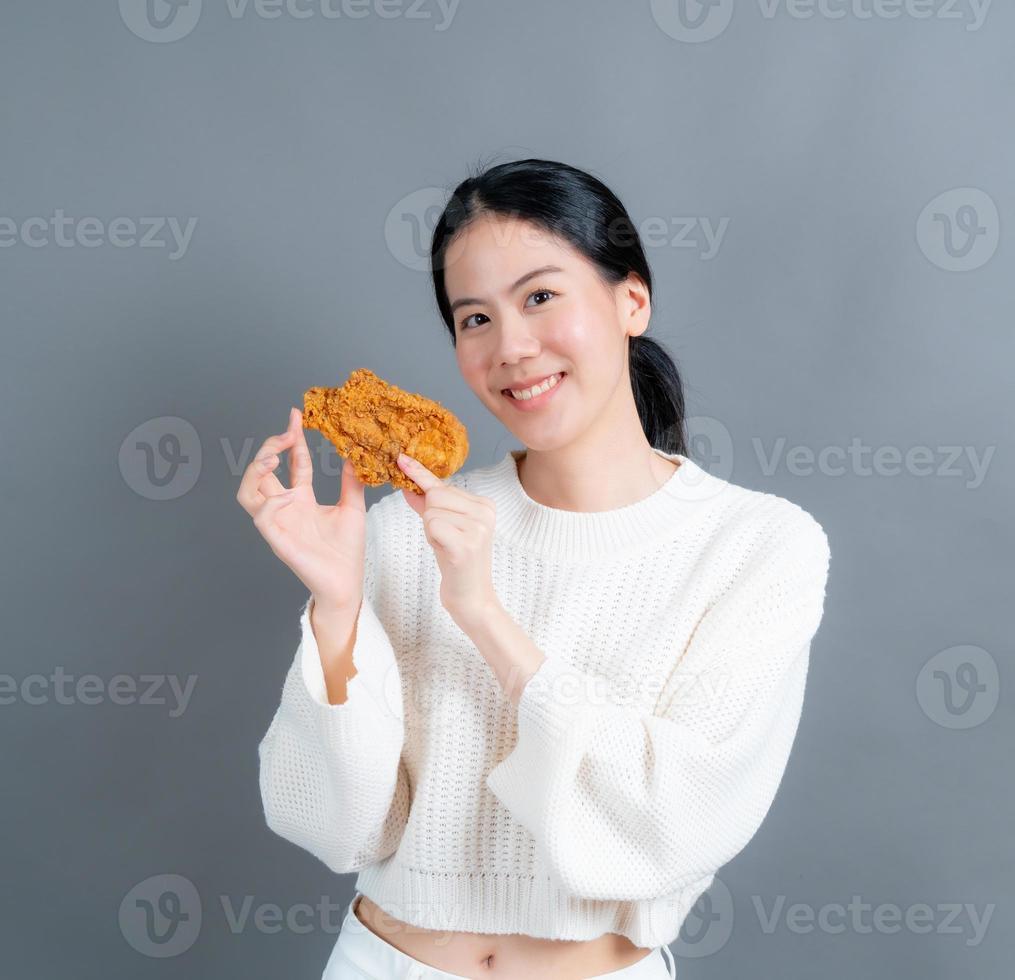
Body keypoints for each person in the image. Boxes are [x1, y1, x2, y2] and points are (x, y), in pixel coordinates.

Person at [240, 158, 832, 979]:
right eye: (473, 318)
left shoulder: (757, 547)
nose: (512, 347)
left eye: (541, 297)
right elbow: (338, 828)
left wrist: (483, 612)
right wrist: (337, 609)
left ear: (632, 300)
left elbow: (676, 822)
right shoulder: (403, 534)